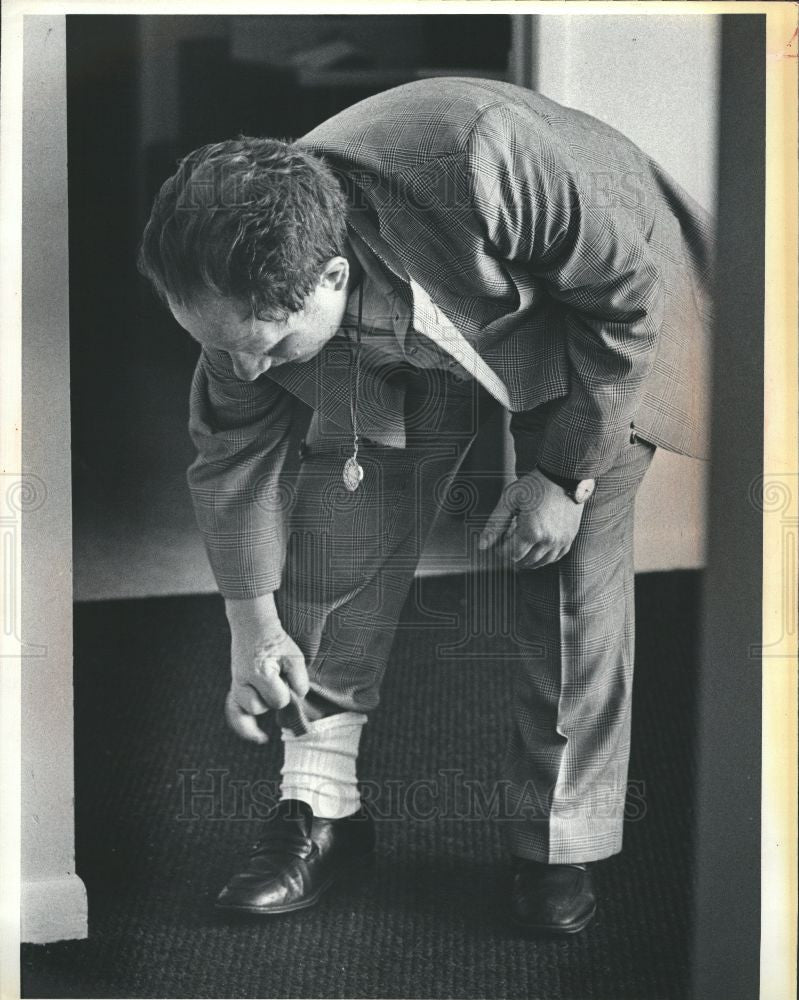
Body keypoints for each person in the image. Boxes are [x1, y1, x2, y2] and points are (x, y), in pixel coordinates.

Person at [137, 77, 713, 935]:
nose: (247, 371)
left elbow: (626, 303)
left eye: (265, 348)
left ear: (326, 278)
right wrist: (252, 627)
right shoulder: (241, 291)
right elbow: (230, 459)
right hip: (391, 329)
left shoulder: (489, 159)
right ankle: (320, 809)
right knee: (339, 529)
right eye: (219, 346)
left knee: (567, 574)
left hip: (580, 318)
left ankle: (554, 846)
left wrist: (560, 478)